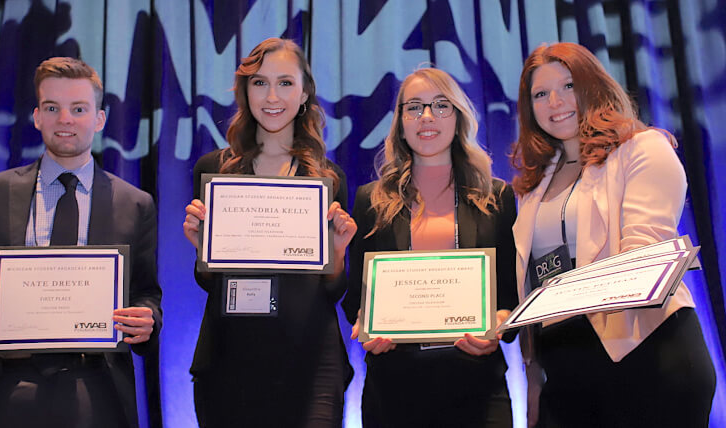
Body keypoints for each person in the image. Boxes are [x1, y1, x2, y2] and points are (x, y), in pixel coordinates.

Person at [0, 57, 162, 428]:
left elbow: (146, 293)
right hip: (2, 383)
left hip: (96, 388)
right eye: (53, 108)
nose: (66, 119)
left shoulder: (135, 203)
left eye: (79, 108)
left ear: (99, 119)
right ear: (37, 116)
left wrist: (146, 319)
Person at [510, 42, 716, 428]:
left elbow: (643, 259)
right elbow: (533, 284)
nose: (555, 101)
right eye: (540, 94)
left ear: (593, 85)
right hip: (567, 372)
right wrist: (532, 375)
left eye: (568, 86)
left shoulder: (643, 148)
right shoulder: (533, 187)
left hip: (648, 356)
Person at [182, 38, 356, 427]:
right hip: (230, 359)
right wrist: (201, 249)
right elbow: (210, 282)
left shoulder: (327, 179)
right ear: (245, 92)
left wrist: (339, 253)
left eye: (285, 83)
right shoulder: (216, 172)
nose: (272, 96)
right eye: (259, 83)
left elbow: (332, 290)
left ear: (305, 91)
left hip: (311, 362)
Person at [342, 67, 518, 428]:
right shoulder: (369, 201)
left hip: (479, 390)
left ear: (458, 116)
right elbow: (356, 303)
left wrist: (498, 325)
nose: (427, 117)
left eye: (440, 105)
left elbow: (512, 298)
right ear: (400, 122)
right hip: (394, 392)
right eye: (415, 107)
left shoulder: (496, 197)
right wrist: (366, 326)